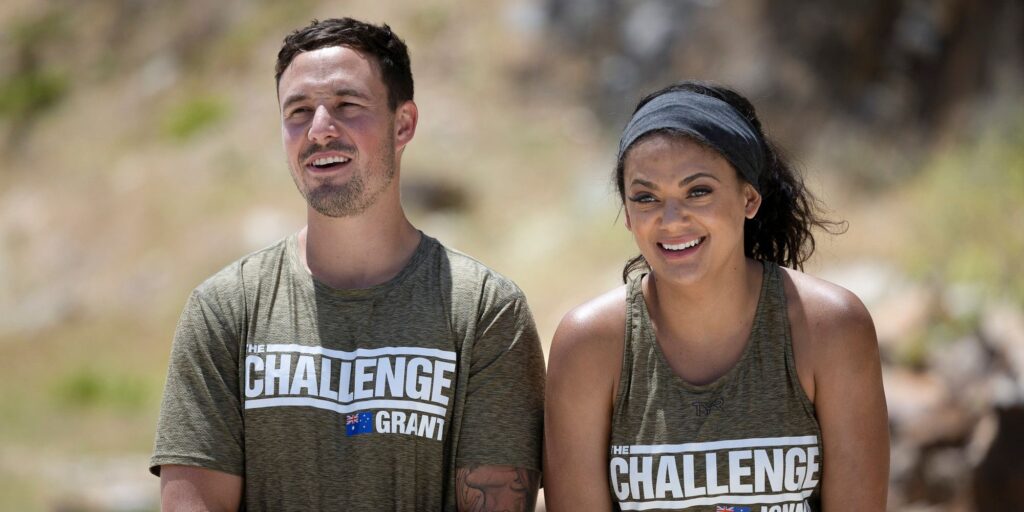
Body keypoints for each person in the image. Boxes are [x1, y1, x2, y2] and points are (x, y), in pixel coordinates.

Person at [150, 17, 544, 511]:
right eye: (298, 111)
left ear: (404, 124)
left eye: (346, 105)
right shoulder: (224, 311)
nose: (319, 130)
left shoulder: (485, 311)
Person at [544, 81, 889, 511]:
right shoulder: (589, 344)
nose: (671, 220)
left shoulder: (831, 327)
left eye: (698, 191)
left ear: (749, 197)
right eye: (646, 197)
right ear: (629, 217)